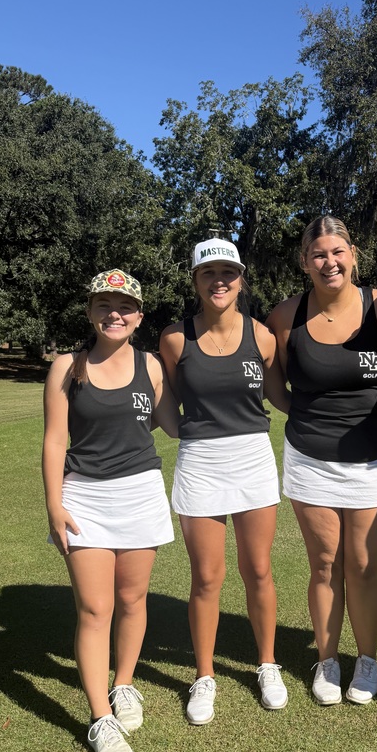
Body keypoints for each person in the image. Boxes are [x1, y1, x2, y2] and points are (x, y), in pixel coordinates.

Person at [267, 215, 377, 705]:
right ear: (304, 262)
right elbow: (278, 391)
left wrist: (368, 415)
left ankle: (366, 662)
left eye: (337, 252)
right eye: (318, 254)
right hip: (309, 460)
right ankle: (327, 661)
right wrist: (316, 422)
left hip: (372, 462)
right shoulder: (285, 316)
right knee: (324, 565)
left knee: (364, 565)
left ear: (353, 254)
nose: (329, 262)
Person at [42, 269, 177, 752]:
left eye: (124, 306)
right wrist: (54, 504)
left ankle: (124, 684)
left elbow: (175, 424)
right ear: (91, 312)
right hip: (86, 499)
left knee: (132, 598)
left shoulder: (152, 367)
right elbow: (56, 440)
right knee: (96, 609)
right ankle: (101, 717)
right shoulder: (66, 367)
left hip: (141, 494)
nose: (114, 313)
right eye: (105, 305)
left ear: (139, 316)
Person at [159, 238, 289, 726]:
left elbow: (277, 394)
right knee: (207, 577)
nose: (219, 281)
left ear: (241, 279)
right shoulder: (175, 338)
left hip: (253, 457)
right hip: (200, 463)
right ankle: (204, 676)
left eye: (228, 273)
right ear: (194, 280)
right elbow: (165, 396)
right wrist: (179, 432)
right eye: (208, 273)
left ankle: (268, 664)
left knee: (258, 569)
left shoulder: (263, 336)